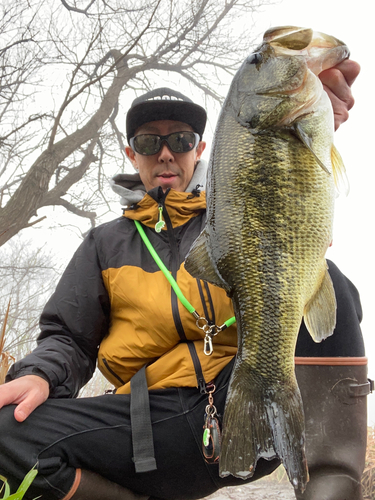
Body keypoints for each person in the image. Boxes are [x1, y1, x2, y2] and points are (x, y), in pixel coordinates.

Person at [0, 59, 370, 500]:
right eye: (148, 141)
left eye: (180, 139)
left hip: (248, 394)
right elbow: (68, 337)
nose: (165, 152)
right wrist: (40, 374)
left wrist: (307, 117)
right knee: (7, 431)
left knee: (329, 281)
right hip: (149, 426)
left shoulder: (236, 208)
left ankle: (333, 483)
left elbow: (288, 177)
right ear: (130, 153)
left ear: (200, 147)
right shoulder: (103, 244)